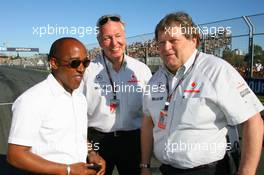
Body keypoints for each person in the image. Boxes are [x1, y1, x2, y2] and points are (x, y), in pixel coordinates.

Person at [141, 12, 264, 175]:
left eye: (173, 41)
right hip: (166, 169)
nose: (166, 48)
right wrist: (145, 166)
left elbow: (253, 121)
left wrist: (246, 172)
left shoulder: (217, 70)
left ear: (194, 40)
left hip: (208, 170)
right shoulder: (155, 79)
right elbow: (148, 123)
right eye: (161, 42)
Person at [7, 37, 105, 175]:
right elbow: (15, 156)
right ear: (54, 63)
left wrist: (91, 153)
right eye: (75, 63)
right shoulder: (32, 100)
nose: (81, 68)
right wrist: (68, 170)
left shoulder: (79, 97)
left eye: (85, 62)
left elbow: (79, 135)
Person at [82, 15, 152, 175]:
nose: (114, 43)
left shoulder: (141, 70)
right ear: (99, 41)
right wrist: (89, 150)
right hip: (97, 142)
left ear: (124, 37)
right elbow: (76, 116)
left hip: (133, 140)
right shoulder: (87, 71)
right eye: (107, 38)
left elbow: (150, 114)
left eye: (118, 36)